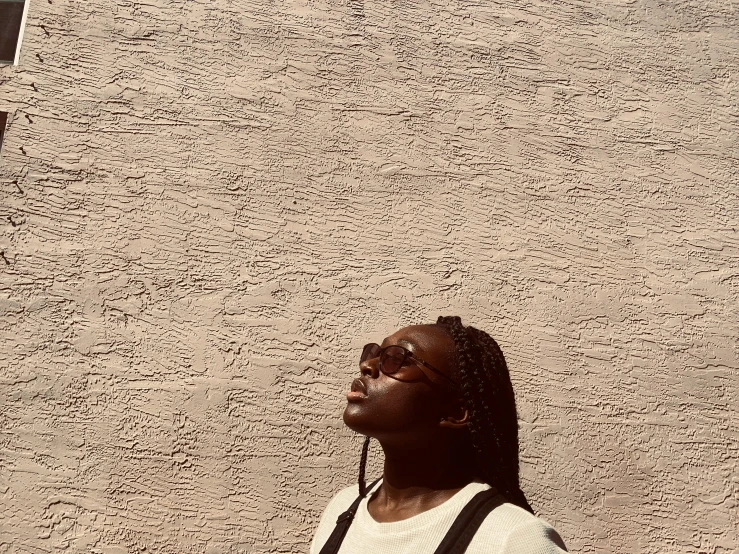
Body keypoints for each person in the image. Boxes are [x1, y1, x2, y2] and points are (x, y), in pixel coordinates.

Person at [310, 316, 568, 554]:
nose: (367, 365)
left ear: (454, 413)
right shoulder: (343, 509)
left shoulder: (514, 538)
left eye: (398, 357)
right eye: (375, 353)